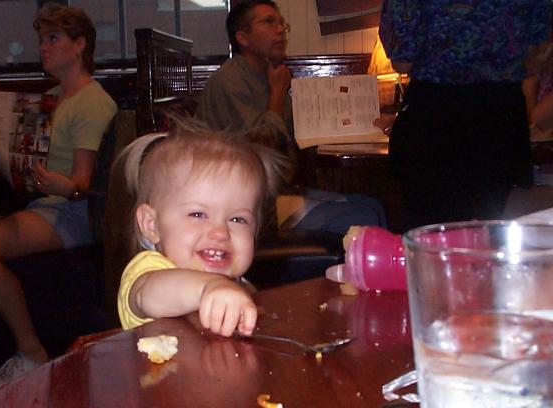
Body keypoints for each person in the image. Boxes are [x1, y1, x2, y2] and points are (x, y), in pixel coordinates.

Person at [0, 3, 117, 394]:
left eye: (53, 38)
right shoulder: (50, 98)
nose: (43, 47)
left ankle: (30, 351)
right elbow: (25, 162)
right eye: (42, 39)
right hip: (42, 202)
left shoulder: (93, 102)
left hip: (71, 212)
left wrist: (55, 183)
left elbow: (81, 184)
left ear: (79, 45)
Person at [195, 0, 387, 235]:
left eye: (281, 24)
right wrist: (278, 92)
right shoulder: (229, 81)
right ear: (243, 38)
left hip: (277, 193)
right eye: (269, 22)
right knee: (365, 215)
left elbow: (293, 134)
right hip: (250, 205)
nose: (280, 30)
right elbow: (264, 147)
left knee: (374, 206)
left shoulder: (269, 75)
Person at [379, 0, 552, 231]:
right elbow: (535, 47)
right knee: (489, 230)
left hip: (435, 116)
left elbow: (402, 60)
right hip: (501, 114)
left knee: (430, 234)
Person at [116, 121, 285, 336]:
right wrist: (209, 287)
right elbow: (148, 297)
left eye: (238, 219)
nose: (220, 233)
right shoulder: (149, 272)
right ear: (152, 225)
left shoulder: (238, 285)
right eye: (198, 214)